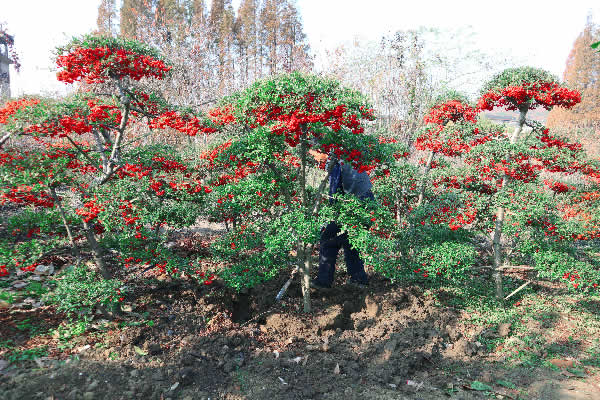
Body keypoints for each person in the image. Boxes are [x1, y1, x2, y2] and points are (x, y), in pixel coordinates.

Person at [310, 152, 374, 290]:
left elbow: (336, 195)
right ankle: (359, 280)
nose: (315, 159)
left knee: (328, 238)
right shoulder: (347, 156)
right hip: (367, 204)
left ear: (322, 151)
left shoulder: (336, 163)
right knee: (350, 239)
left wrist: (328, 219)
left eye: (314, 154)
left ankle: (324, 281)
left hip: (355, 205)